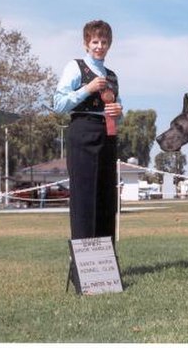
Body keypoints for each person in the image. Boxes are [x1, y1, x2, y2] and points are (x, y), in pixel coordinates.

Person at [53, 20, 123, 243]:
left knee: (105, 198)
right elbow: (58, 104)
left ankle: (106, 263)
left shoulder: (112, 76)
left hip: (107, 135)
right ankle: (83, 266)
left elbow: (115, 107)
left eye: (104, 42)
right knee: (84, 198)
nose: (99, 46)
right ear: (86, 44)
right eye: (95, 41)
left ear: (109, 44)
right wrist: (86, 89)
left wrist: (118, 110)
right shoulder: (75, 67)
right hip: (83, 132)